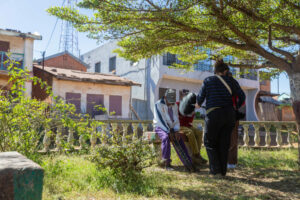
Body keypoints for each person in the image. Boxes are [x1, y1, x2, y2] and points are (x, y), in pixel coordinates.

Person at [196, 60, 245, 176]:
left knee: (210, 142)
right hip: (229, 115)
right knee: (224, 143)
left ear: (215, 71)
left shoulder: (208, 80)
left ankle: (215, 170)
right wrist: (236, 107)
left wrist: (198, 104)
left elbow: (199, 100)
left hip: (213, 114)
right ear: (225, 71)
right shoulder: (232, 81)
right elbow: (242, 96)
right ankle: (223, 172)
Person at [153, 89, 195, 171]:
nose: (171, 104)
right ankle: (166, 163)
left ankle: (188, 163)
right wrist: (168, 132)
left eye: (173, 102)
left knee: (179, 138)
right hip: (160, 126)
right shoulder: (158, 104)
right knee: (165, 138)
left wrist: (176, 131)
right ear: (165, 97)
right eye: (170, 102)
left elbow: (176, 118)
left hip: (172, 128)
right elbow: (160, 120)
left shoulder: (174, 105)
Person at [177, 91, 207, 166]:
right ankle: (196, 155)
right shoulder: (177, 105)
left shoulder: (191, 107)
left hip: (187, 125)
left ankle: (197, 154)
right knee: (190, 132)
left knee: (199, 132)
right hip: (178, 126)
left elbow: (190, 121)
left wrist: (190, 113)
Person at [227, 72, 246, 169]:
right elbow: (242, 97)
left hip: (224, 113)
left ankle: (229, 162)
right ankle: (232, 162)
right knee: (233, 138)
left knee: (228, 137)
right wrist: (236, 107)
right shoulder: (235, 83)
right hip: (234, 113)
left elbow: (242, 97)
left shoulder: (224, 83)